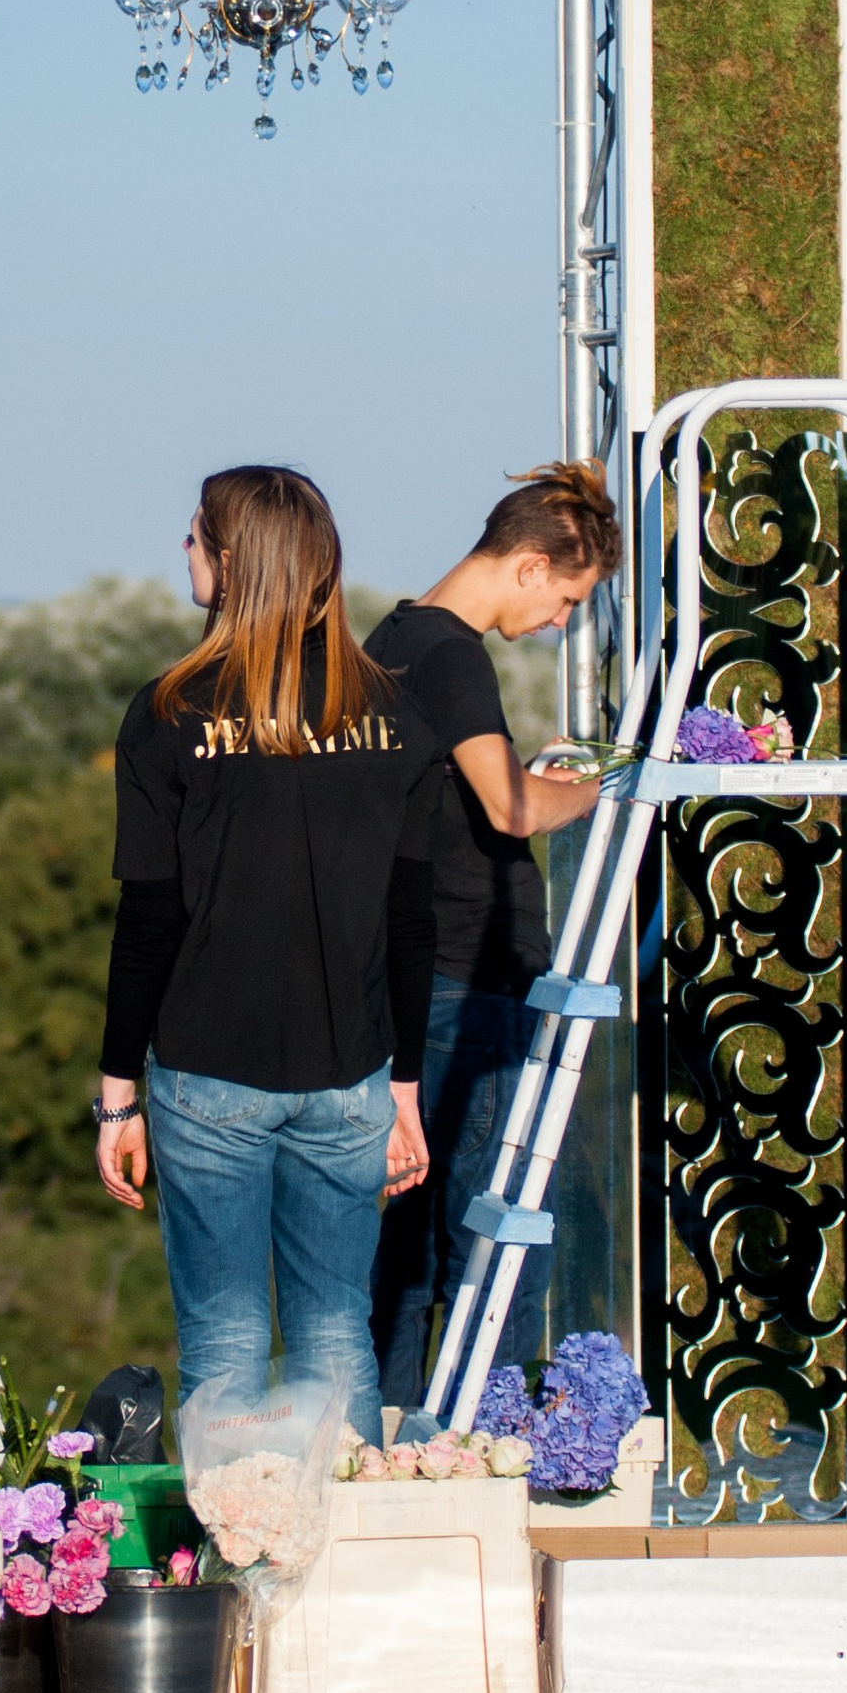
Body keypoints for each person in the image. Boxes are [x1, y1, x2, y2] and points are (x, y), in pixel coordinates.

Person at [96, 467, 439, 1434]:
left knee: (225, 1343)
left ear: (235, 558)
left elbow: (150, 921)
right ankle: (360, 1577)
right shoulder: (398, 716)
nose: (184, 548)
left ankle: (246, 1575)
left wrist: (115, 1097)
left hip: (209, 1072)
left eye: (196, 533)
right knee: (339, 1338)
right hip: (352, 1076)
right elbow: (413, 922)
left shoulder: (169, 713)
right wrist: (402, 1090)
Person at [364, 460, 620, 1411]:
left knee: (407, 1251)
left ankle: (386, 1445)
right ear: (526, 563)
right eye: (565, 597)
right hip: (471, 985)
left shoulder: (391, 637)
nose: (558, 622)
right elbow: (511, 808)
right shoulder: (450, 653)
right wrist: (602, 784)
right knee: (497, 1242)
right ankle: (487, 1443)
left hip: (412, 984)